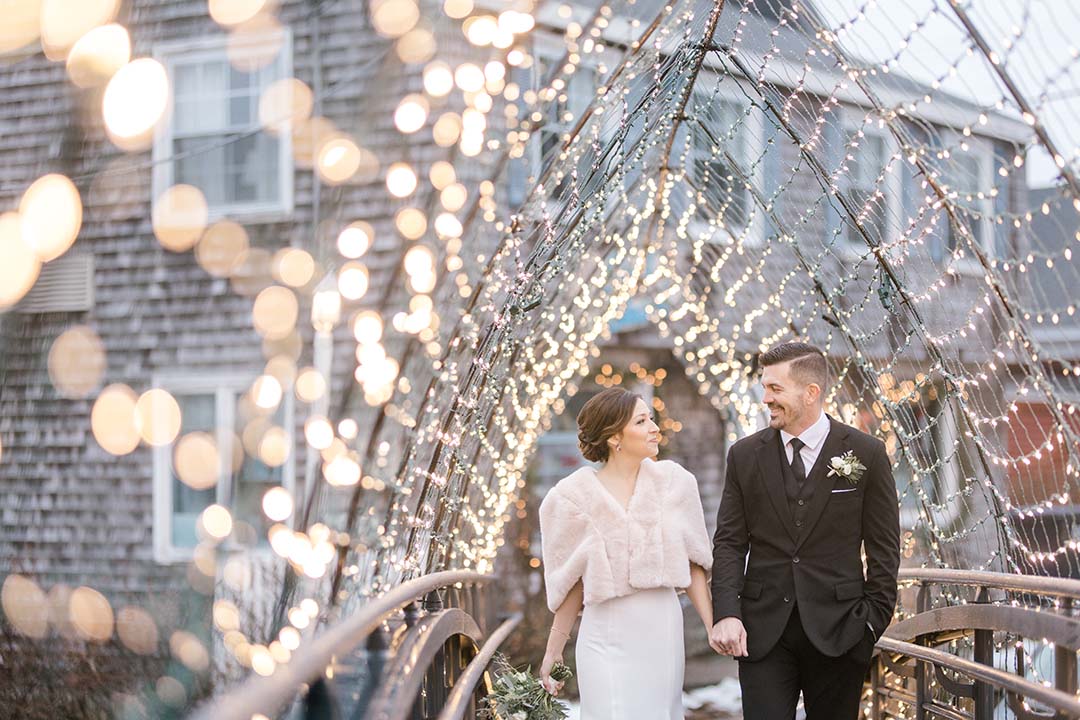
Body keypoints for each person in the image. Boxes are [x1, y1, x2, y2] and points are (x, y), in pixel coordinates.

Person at [709, 342, 901, 719]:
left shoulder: (867, 453)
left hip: (842, 631)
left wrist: (871, 623)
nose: (766, 398)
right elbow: (730, 542)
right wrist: (727, 612)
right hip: (762, 633)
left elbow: (884, 548)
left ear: (811, 392)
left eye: (775, 389)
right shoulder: (744, 456)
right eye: (764, 387)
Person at [537, 387, 714, 720]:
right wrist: (554, 651)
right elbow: (573, 580)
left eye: (651, 419)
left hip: (661, 628)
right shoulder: (571, 498)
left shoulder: (675, 483)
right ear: (614, 436)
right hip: (603, 634)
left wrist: (712, 625)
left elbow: (692, 563)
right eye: (642, 421)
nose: (654, 427)